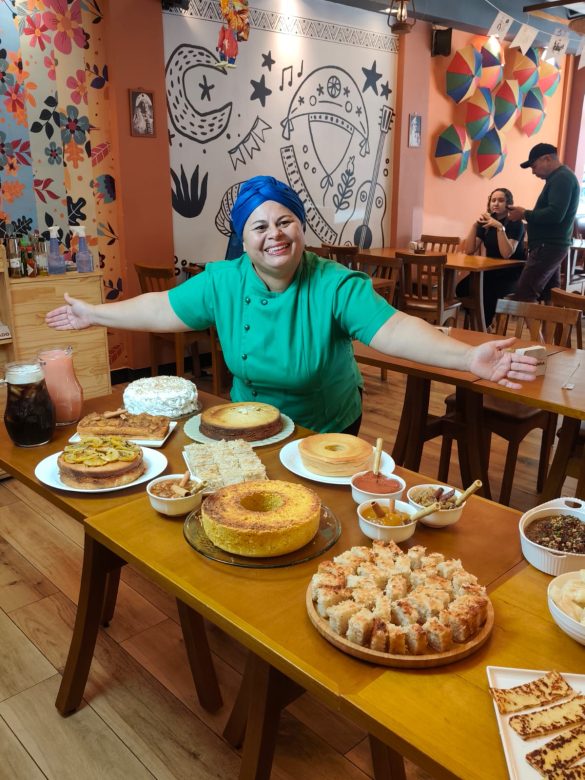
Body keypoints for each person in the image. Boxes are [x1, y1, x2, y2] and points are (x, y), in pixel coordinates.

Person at [45, 176, 536, 434]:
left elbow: (394, 329)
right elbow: (159, 308)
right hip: (248, 420)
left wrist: (466, 357)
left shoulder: (334, 284)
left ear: (301, 226)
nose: (274, 235)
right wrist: (95, 314)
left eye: (285, 222)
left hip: (325, 424)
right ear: (243, 238)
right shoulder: (222, 281)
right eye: (259, 227)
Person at [508, 143, 579, 302]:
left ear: (547, 158)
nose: (533, 172)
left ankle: (539, 328)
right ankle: (551, 328)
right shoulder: (561, 177)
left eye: (534, 166)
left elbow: (555, 214)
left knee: (524, 295)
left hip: (547, 246)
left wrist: (524, 213)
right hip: (552, 246)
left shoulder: (561, 178)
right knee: (550, 296)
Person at [457, 187, 526, 328]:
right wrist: (475, 225)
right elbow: (470, 250)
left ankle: (483, 326)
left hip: (510, 273)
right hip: (490, 270)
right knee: (462, 288)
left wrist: (500, 228)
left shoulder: (516, 223)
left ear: (508, 204)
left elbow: (506, 254)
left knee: (486, 292)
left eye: (501, 200)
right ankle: (480, 322)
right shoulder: (487, 222)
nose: (496, 203)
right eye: (493, 200)